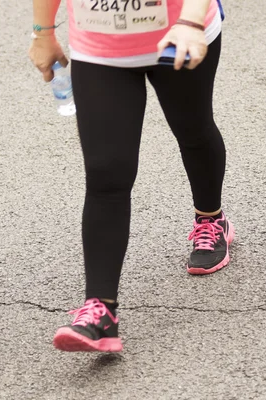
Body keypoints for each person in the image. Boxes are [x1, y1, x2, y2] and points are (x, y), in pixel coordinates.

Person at [29, 0, 233, 352]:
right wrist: (43, 32)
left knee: (193, 131)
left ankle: (211, 219)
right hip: (100, 49)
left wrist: (192, 20)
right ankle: (100, 312)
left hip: (177, 30)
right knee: (106, 172)